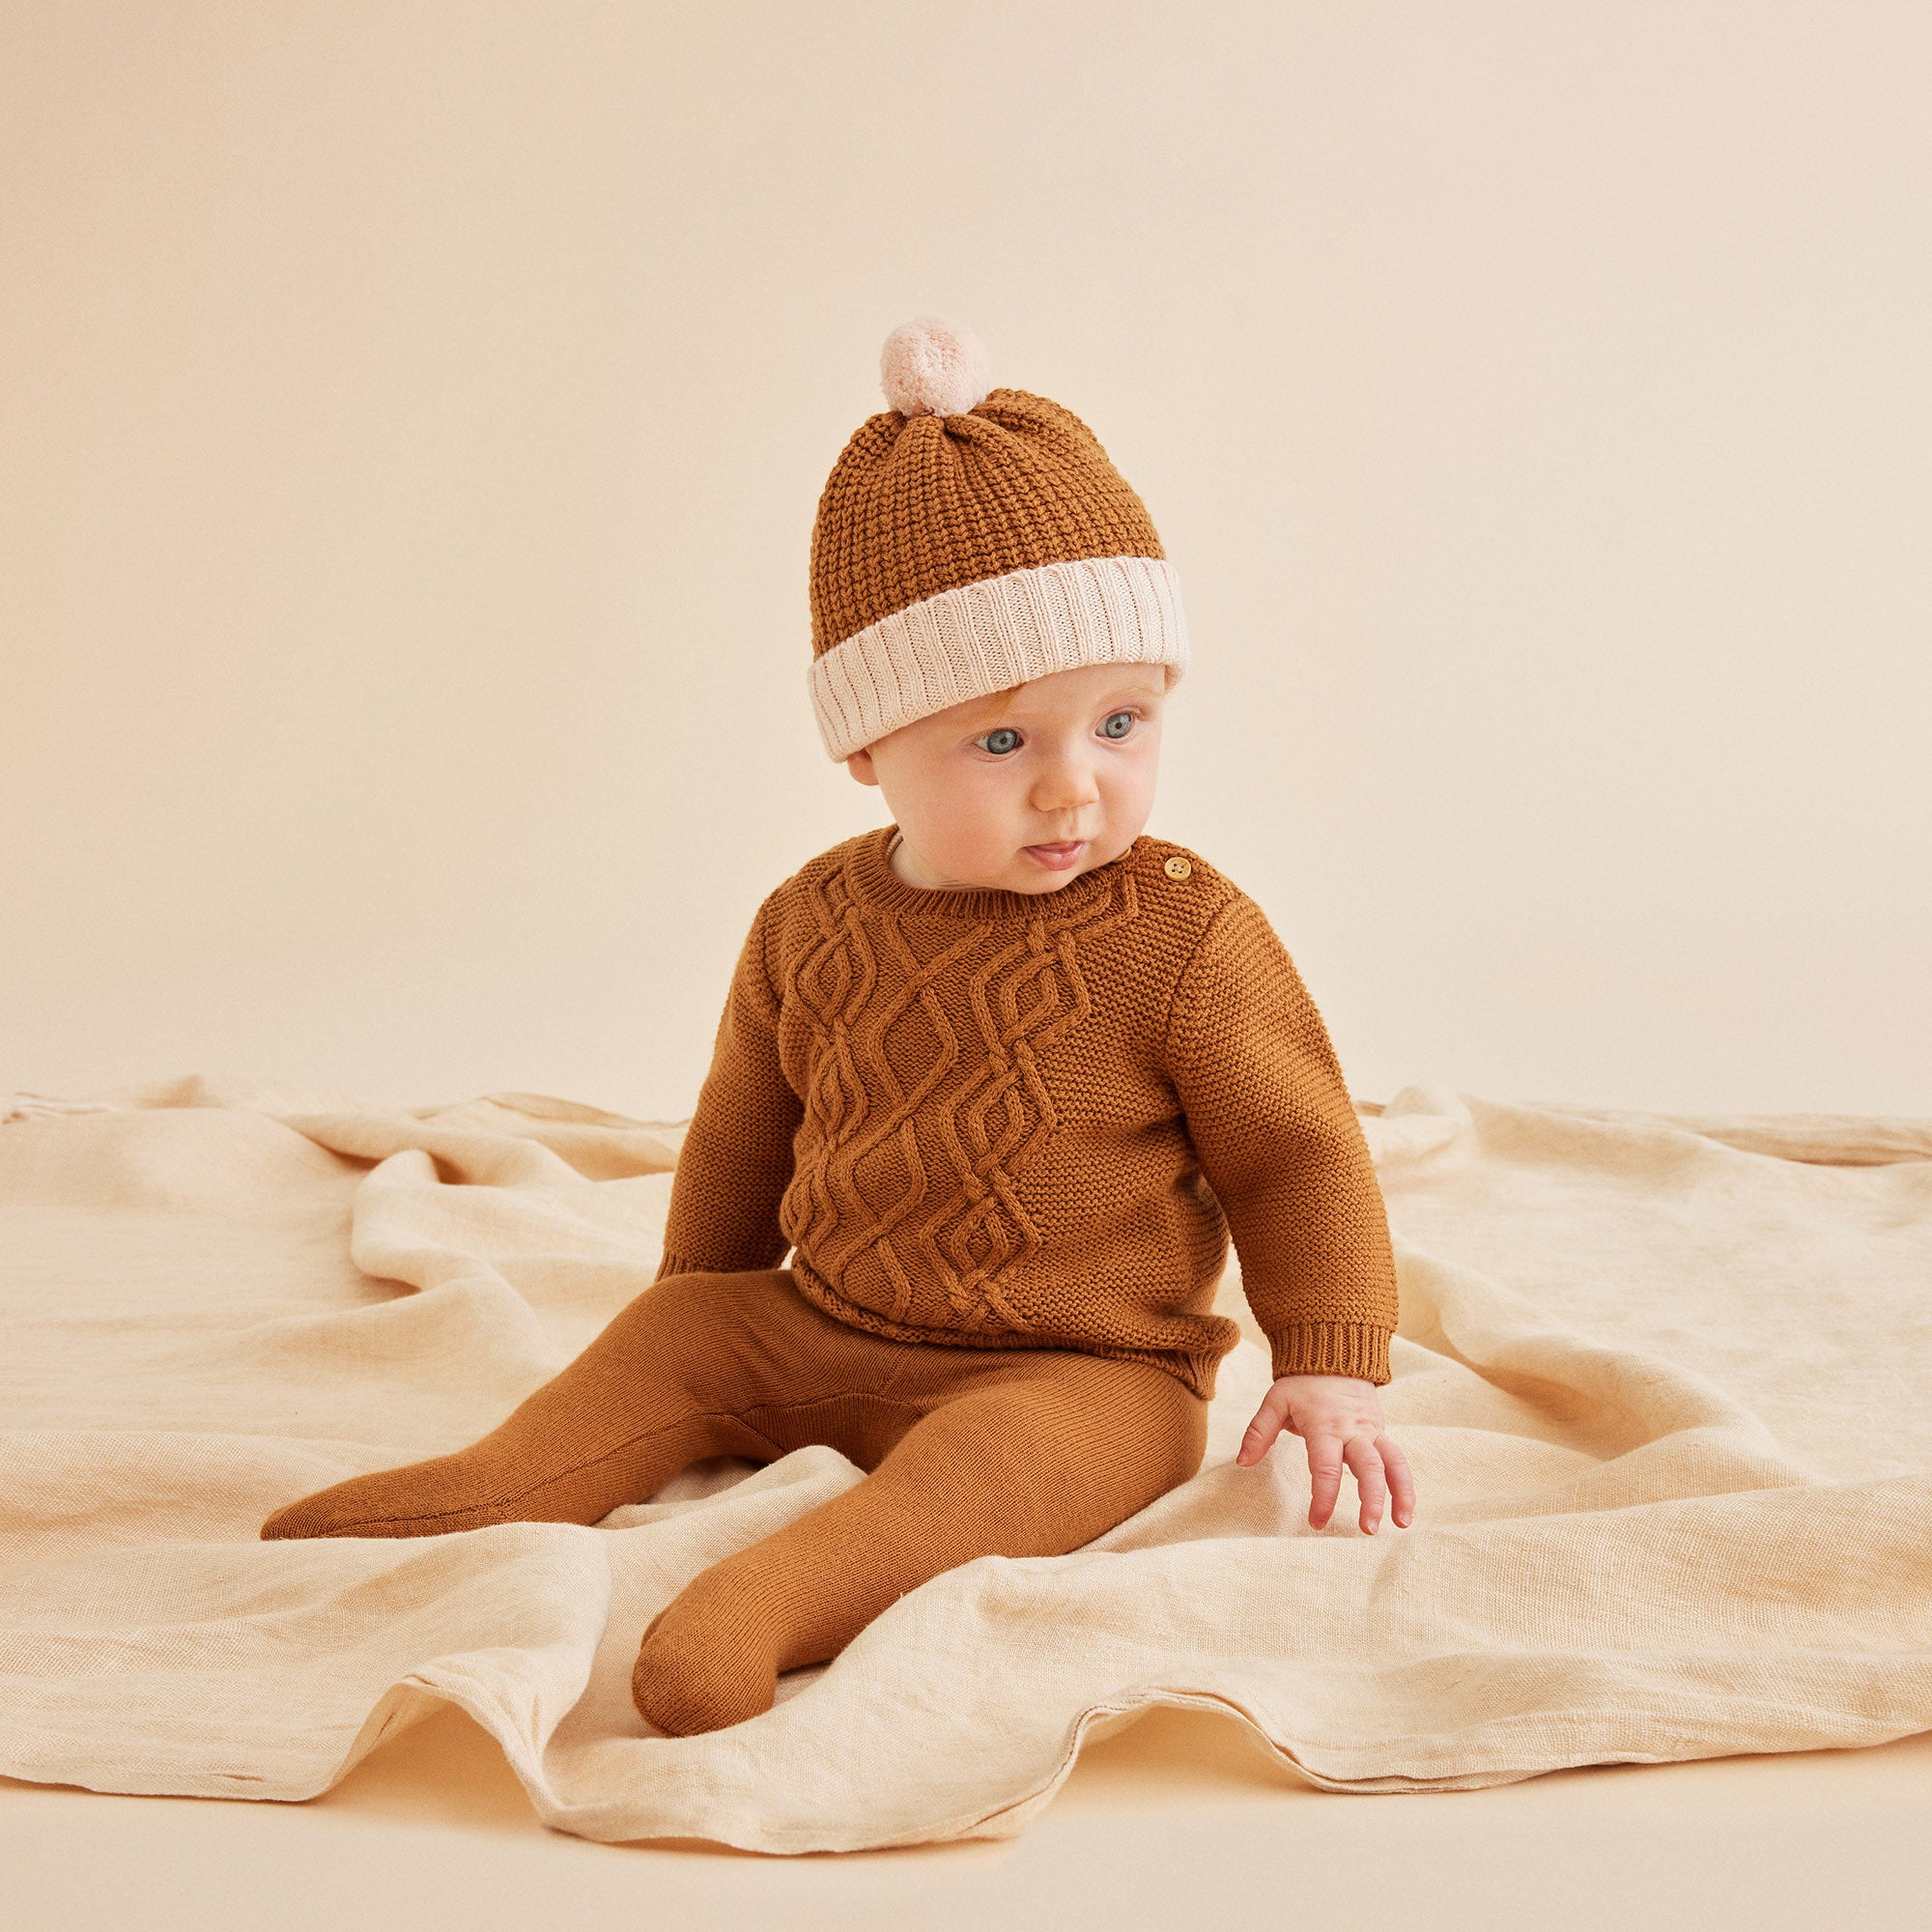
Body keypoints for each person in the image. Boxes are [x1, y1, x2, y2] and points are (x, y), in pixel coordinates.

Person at [262, 316, 1418, 1737]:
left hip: (1082, 1367)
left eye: (1121, 724)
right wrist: (693, 1306)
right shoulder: (811, 918)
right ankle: (498, 1483)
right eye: (1004, 740)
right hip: (824, 1317)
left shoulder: (1185, 934)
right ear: (866, 745)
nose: (1075, 788)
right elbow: (744, 1129)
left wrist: (1331, 1362)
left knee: (1002, 1472)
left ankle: (770, 1602)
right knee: (676, 1337)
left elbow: (1298, 1155)